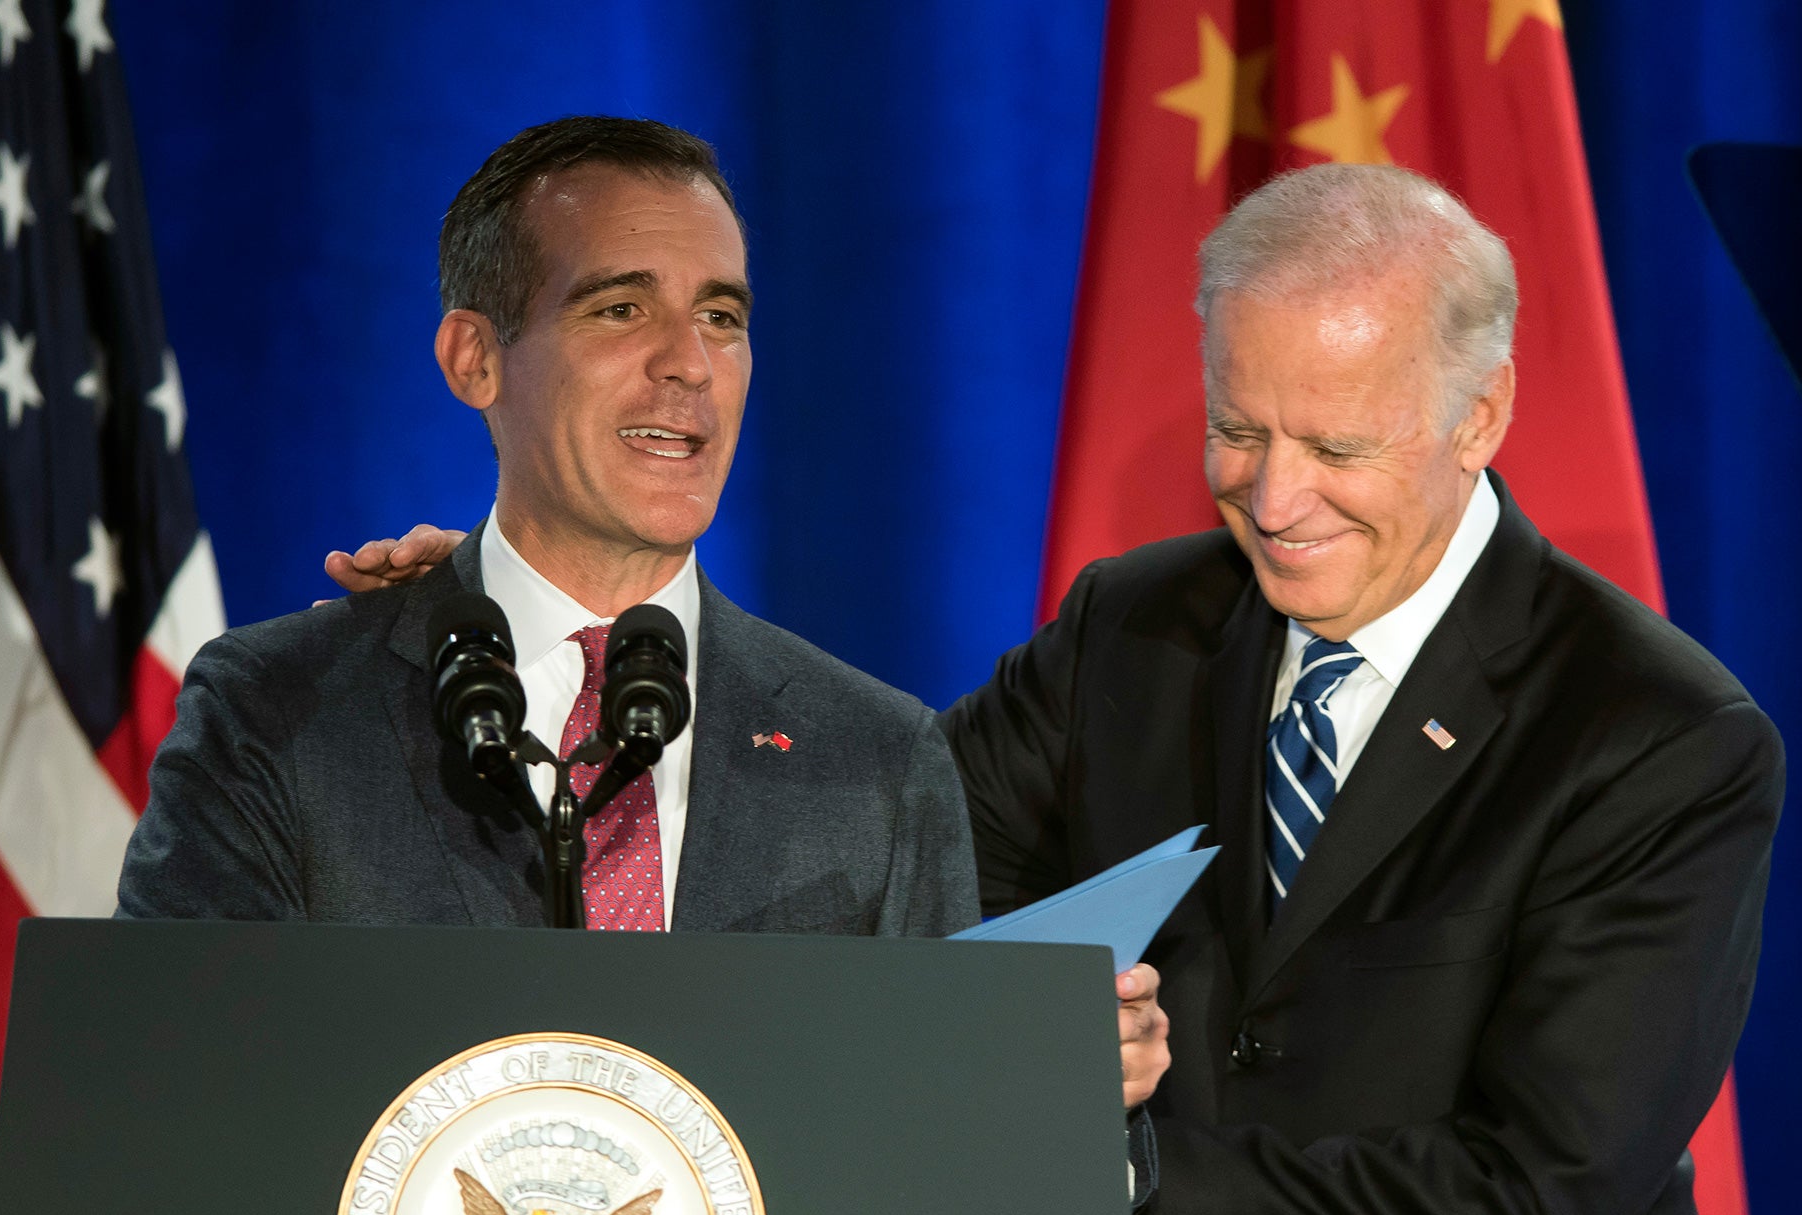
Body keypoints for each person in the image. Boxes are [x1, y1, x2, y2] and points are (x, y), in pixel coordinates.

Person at [332, 163, 1783, 1215]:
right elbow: (839, 847)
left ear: (1481, 417)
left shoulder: (1654, 737)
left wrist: (1108, 1166)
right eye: (1239, 430)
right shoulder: (1135, 634)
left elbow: (1527, 1207)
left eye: (1338, 447)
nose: (1274, 502)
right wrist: (535, 632)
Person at [115, 117, 1172, 1107]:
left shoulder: (874, 760)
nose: (688, 365)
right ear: (473, 360)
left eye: (721, 317)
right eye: (620, 309)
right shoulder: (280, 715)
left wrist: (1062, 1096)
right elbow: (175, 1101)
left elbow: (938, 1163)